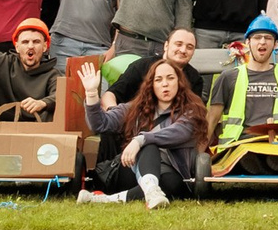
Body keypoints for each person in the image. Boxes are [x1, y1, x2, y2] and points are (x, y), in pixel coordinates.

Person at [77, 57, 206, 208]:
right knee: (149, 146)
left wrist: (139, 139)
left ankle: (106, 200)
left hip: (171, 172)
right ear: (151, 85)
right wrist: (91, 93)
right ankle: (151, 190)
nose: (165, 84)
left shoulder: (191, 110)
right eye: (158, 80)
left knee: (170, 183)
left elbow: (179, 132)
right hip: (130, 169)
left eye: (170, 78)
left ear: (179, 82)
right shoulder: (136, 108)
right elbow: (100, 124)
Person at [204, 15, 278, 177]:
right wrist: (199, 157)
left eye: (268, 38)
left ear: (275, 44)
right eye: (257, 37)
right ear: (248, 42)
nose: (262, 42)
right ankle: (258, 163)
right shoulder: (228, 77)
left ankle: (271, 163)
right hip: (240, 143)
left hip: (277, 143)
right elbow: (212, 119)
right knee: (246, 154)